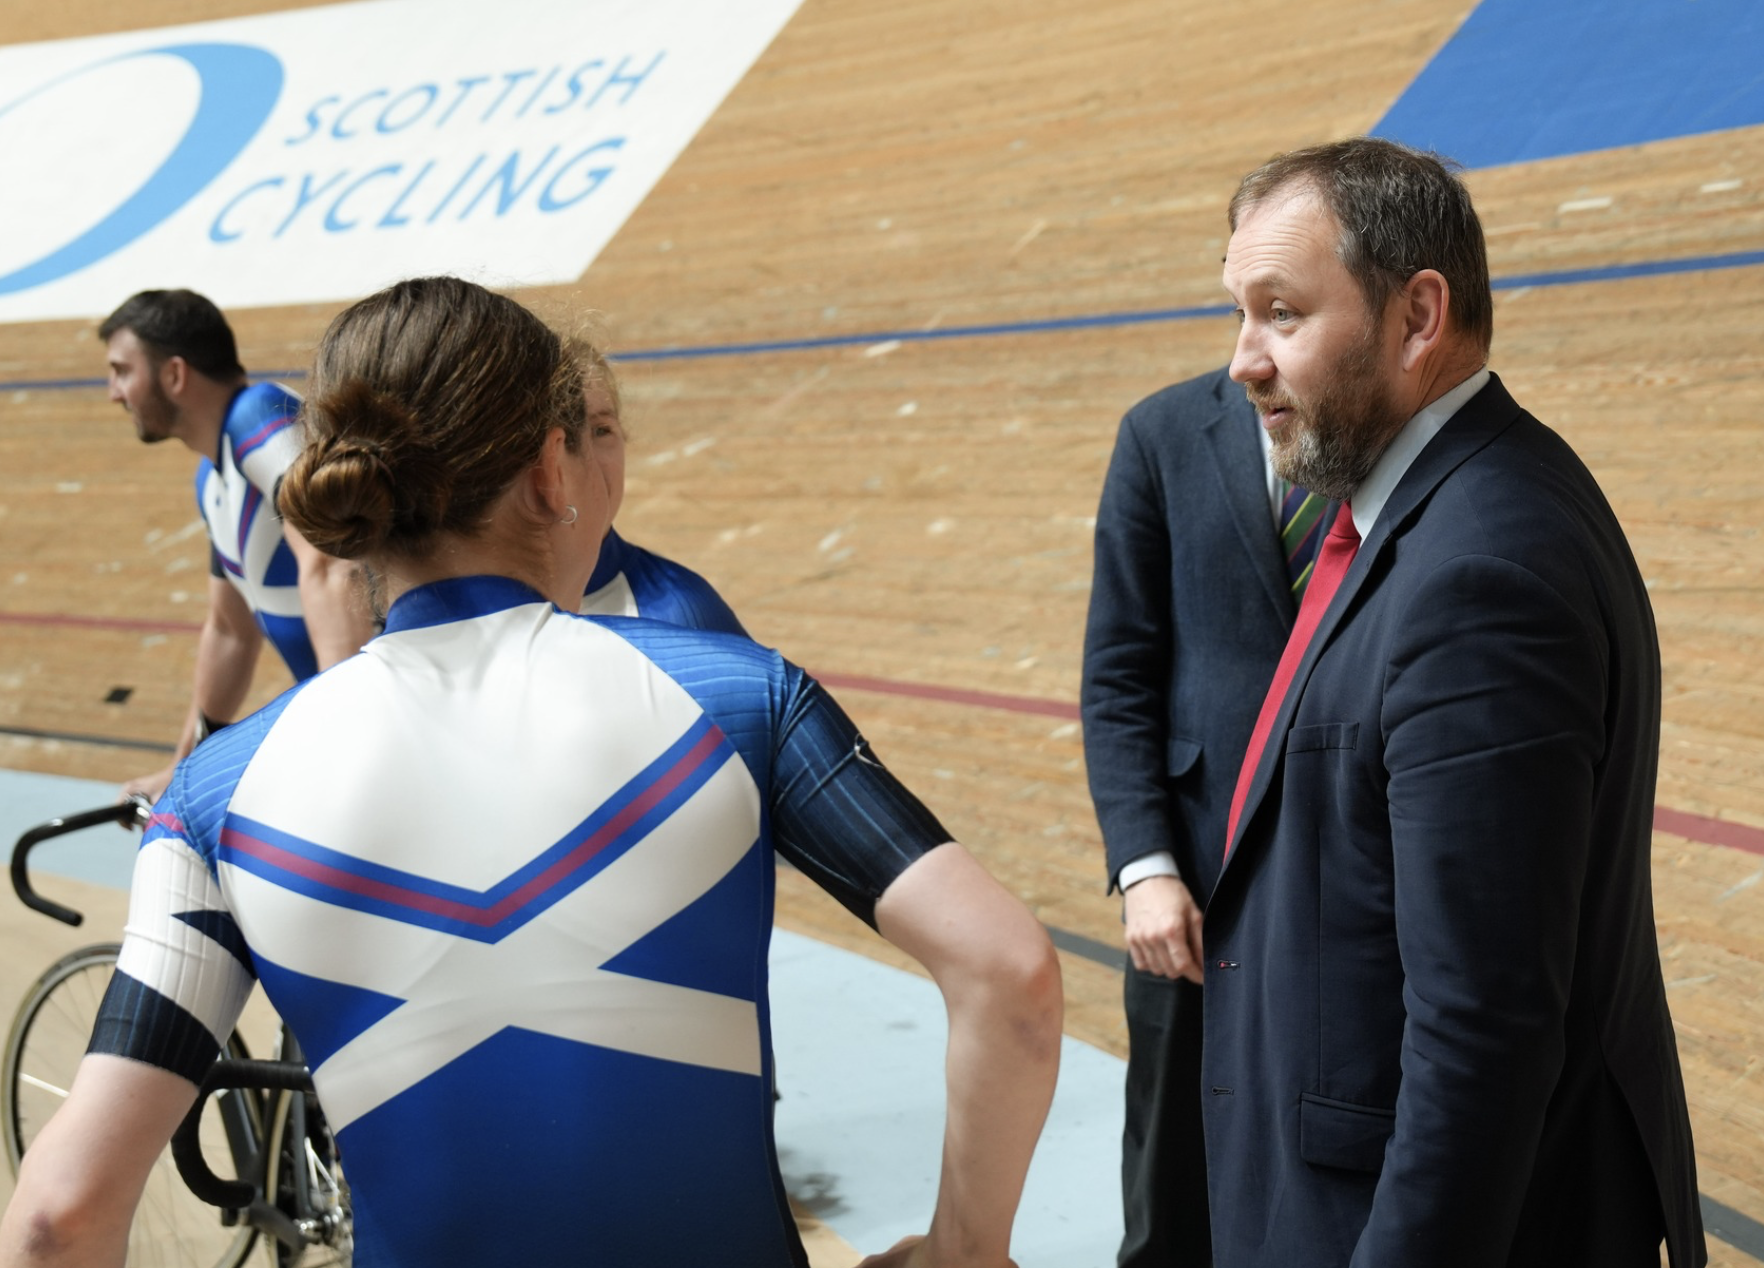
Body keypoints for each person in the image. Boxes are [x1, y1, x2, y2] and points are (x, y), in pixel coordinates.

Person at [1, 276, 1062, 1268]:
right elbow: (1009, 971)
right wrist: (964, 1250)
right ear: (551, 473)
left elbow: (57, 1217)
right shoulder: (741, 697)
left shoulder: (211, 801)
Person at [1203, 137, 1705, 1267]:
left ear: (1416, 316)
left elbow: (1483, 1032)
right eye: (1239, 313)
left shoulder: (1480, 572)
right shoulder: (1444, 509)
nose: (1242, 360)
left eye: (1280, 311)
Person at [1081, 366, 1322, 1267]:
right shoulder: (1162, 431)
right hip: (1194, 872)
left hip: (1346, 870)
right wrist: (1145, 866)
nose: (1252, 349)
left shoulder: (1384, 433)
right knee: (1171, 1185)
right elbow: (1118, 676)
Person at [98, 289, 373, 801]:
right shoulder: (212, 477)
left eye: (122, 370)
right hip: (355, 719)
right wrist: (182, 771)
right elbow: (229, 632)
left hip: (373, 723)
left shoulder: (257, 416)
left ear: (174, 375)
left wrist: (349, 725)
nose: (114, 392)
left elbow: (335, 558)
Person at [575, 341, 748, 636]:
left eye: (601, 430)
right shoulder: (469, 594)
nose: (587, 462)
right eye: (557, 435)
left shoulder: (681, 616)